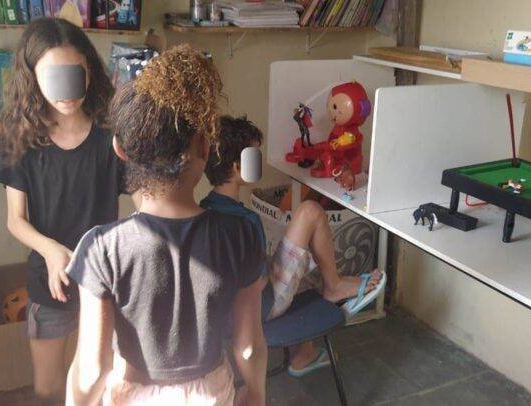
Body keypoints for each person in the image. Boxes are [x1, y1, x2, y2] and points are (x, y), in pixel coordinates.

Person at [66, 45, 268, 406]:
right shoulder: (241, 234)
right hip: (211, 392)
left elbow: (92, 371)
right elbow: (249, 347)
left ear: (120, 149)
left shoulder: (101, 249)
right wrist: (256, 394)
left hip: (135, 395)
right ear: (204, 148)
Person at [0, 18, 126, 400]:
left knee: (97, 382)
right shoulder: (21, 137)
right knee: (48, 387)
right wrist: (50, 251)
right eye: (52, 76)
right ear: (32, 77)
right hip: (51, 282)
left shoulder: (110, 134)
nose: (65, 91)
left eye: (73, 74)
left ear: (89, 73)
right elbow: (15, 220)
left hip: (104, 279)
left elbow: (144, 200)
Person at [201, 115, 385, 377]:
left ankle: (304, 354)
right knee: (310, 212)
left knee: (298, 260)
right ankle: (334, 286)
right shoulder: (246, 220)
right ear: (237, 166)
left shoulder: (203, 210)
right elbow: (259, 281)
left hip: (224, 318)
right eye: (255, 156)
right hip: (258, 309)